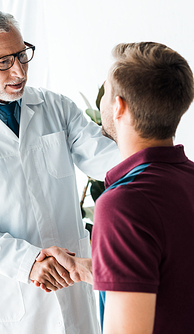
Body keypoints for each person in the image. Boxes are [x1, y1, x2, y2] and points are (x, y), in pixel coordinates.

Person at [0, 9, 119, 334]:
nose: (19, 71)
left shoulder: (57, 108)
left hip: (71, 281)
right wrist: (28, 262)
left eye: (22, 55)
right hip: (11, 294)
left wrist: (153, 159)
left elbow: (104, 158)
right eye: (2, 61)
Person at [36, 42, 194, 334]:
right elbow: (173, 279)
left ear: (119, 106)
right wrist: (89, 269)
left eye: (106, 93)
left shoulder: (124, 204)